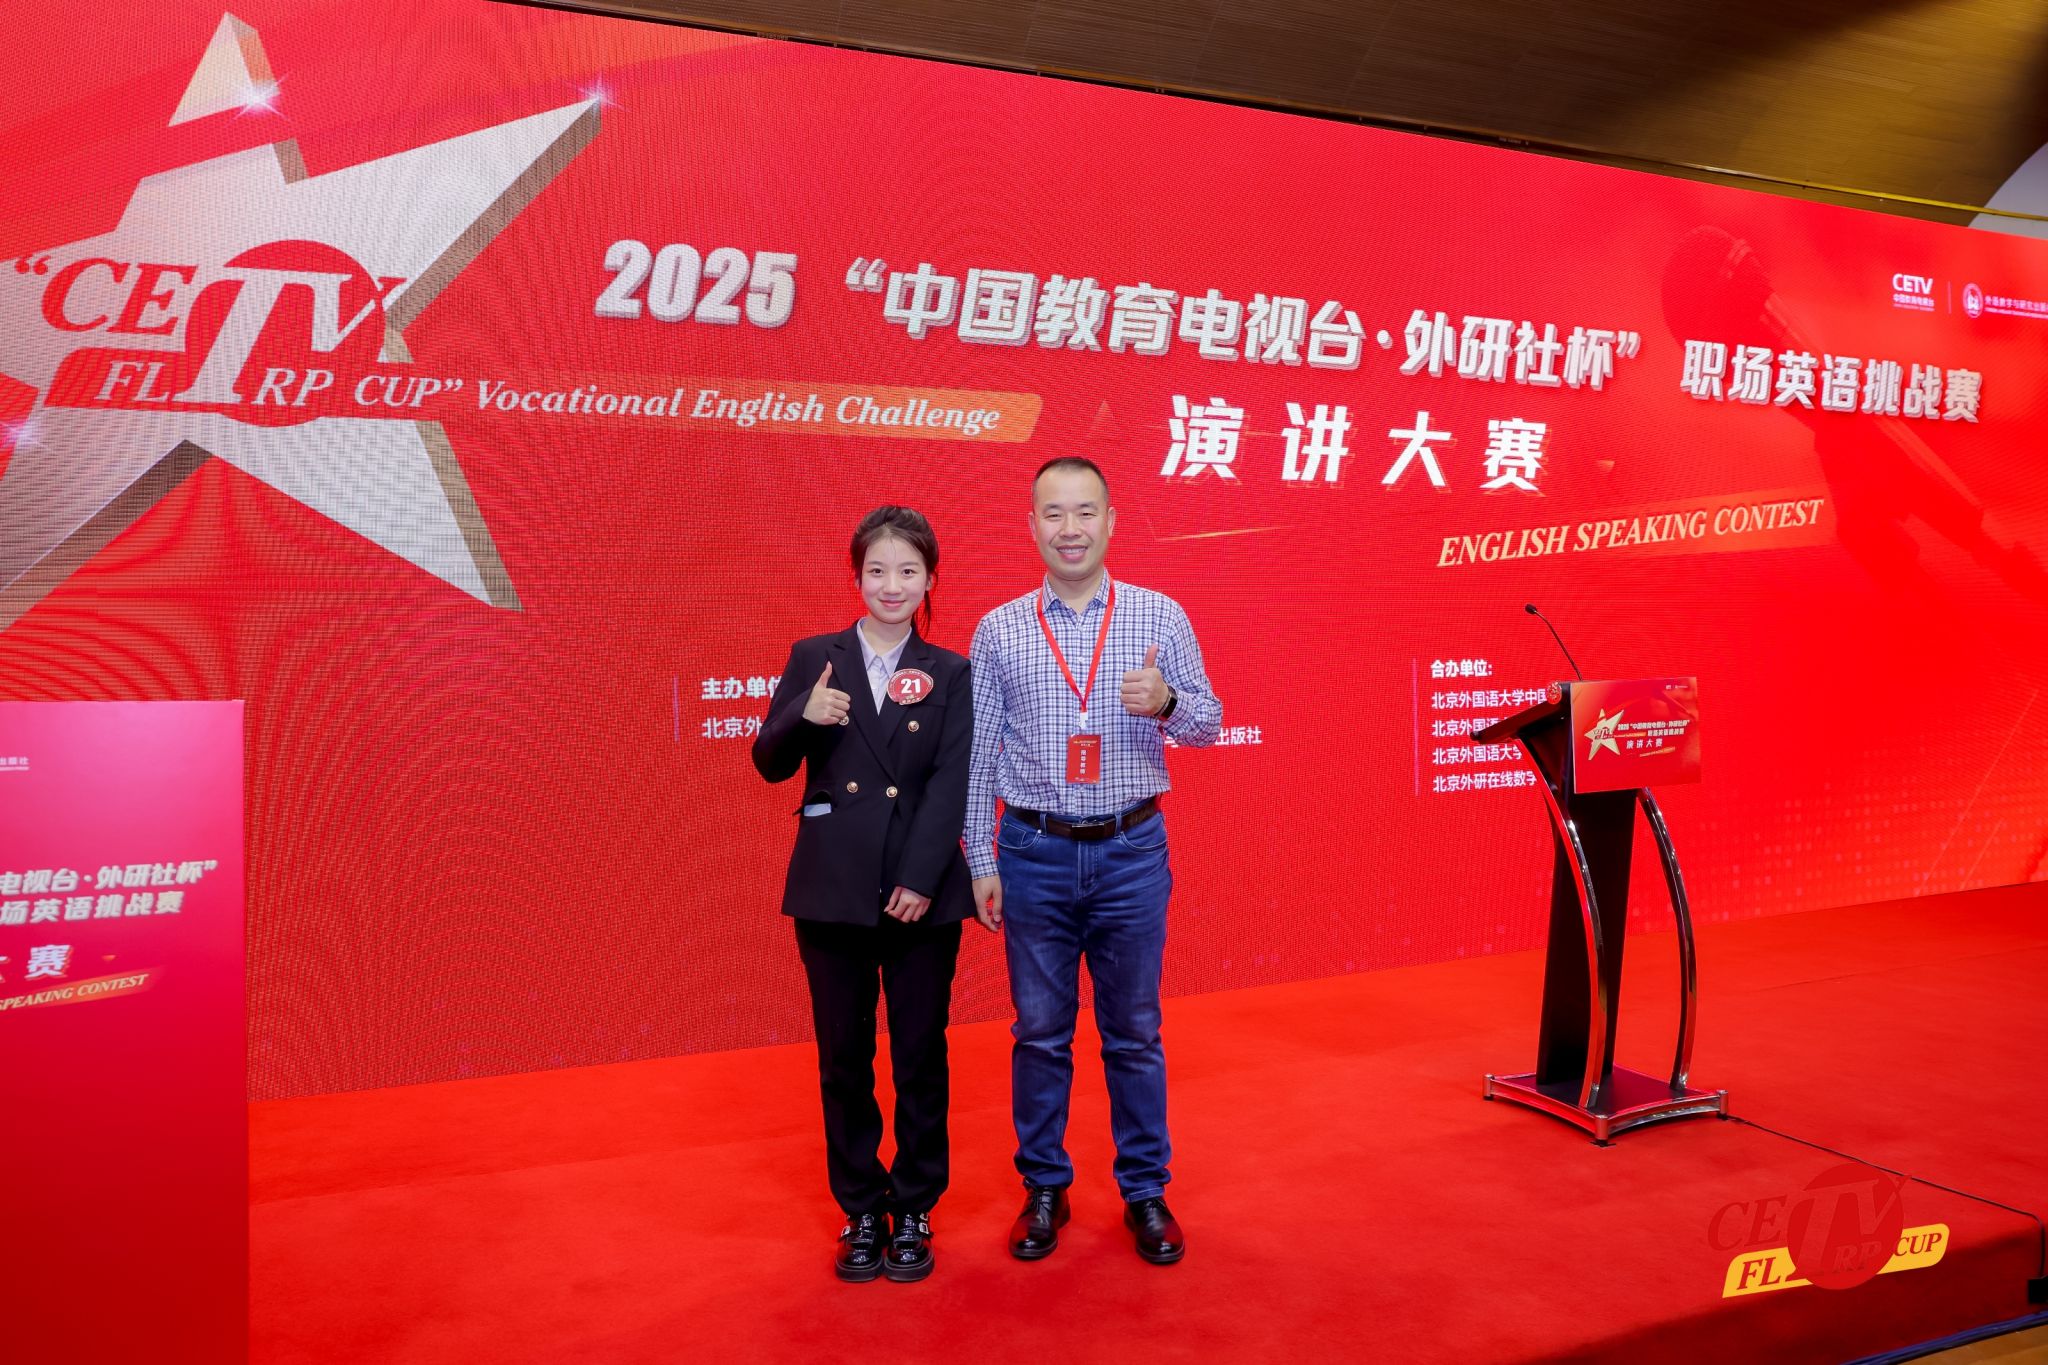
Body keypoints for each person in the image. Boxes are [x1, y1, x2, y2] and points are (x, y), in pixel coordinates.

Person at [964, 457, 1223, 1266]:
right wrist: (979, 856)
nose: (1069, 528)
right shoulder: (1000, 627)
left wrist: (1168, 703)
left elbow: (1209, 722)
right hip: (1032, 850)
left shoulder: (1160, 613)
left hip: (1130, 850)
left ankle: (1145, 1189)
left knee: (1134, 1030)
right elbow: (977, 755)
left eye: (1085, 512)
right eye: (1054, 513)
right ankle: (1045, 1185)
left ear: (1111, 521)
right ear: (1031, 525)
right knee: (1040, 1032)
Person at [752, 506, 976, 1284]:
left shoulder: (951, 670)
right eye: (877, 570)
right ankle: (860, 1206)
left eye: (908, 570)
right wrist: (800, 714)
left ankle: (913, 1204)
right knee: (843, 1057)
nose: (891, 585)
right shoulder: (816, 656)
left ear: (930, 579)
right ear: (857, 576)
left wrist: (920, 876)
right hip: (833, 889)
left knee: (920, 1053)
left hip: (921, 896)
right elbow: (769, 762)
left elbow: (951, 780)